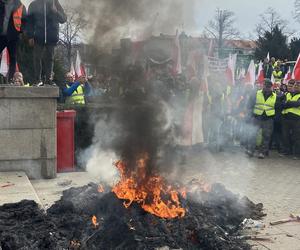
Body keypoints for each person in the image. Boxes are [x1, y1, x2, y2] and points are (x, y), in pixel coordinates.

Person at [26, 0, 66, 86]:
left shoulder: (55, 3)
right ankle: (38, 80)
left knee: (50, 58)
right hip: (38, 36)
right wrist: (30, 36)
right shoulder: (34, 4)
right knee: (37, 58)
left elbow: (63, 19)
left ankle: (49, 79)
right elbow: (29, 22)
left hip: (51, 36)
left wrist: (56, 12)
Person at [246, 79, 281, 159]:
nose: (266, 88)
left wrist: (274, 118)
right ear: (263, 85)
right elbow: (250, 105)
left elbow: (277, 108)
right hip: (257, 117)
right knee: (253, 134)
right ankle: (251, 150)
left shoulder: (275, 96)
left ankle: (263, 152)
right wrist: (251, 114)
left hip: (268, 119)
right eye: (265, 86)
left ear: (271, 87)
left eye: (268, 86)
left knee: (266, 136)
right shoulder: (256, 94)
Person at [0, 0, 26, 82]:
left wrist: (20, 31)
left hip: (14, 35)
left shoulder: (20, 5)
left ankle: (11, 79)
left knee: (13, 57)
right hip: (1, 35)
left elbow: (25, 20)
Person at [281, 80, 300, 160]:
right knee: (285, 136)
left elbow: (297, 104)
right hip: (285, 118)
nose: (295, 87)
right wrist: (292, 103)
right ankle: (287, 151)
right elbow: (282, 104)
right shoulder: (287, 94)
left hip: (297, 119)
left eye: (298, 86)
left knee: (296, 137)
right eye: (295, 85)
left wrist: (288, 103)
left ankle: (296, 154)